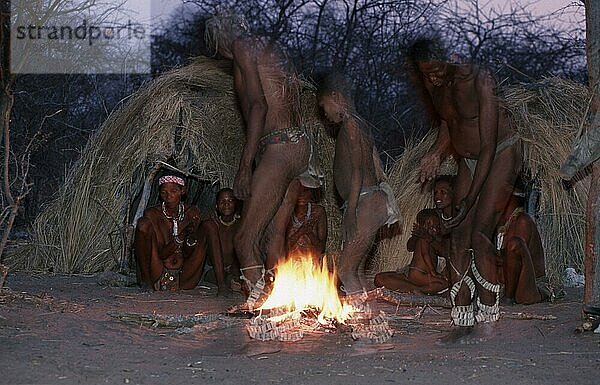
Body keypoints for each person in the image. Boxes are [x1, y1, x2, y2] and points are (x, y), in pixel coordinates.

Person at [205, 13, 322, 307]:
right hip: (300, 147)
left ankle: (260, 309)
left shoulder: (244, 46)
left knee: (244, 240)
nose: (213, 46)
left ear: (221, 34)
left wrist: (245, 167)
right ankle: (283, 308)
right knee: (274, 238)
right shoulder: (271, 48)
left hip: (279, 149)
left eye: (212, 38)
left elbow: (258, 106)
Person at [409, 38, 522, 331]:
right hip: (469, 158)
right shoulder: (436, 84)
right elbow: (450, 122)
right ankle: (461, 311)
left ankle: (489, 312)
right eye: (425, 74)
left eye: (436, 71)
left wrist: (470, 198)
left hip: (500, 153)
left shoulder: (481, 81)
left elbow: (487, 147)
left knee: (480, 232)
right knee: (457, 233)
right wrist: (436, 153)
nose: (432, 78)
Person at [315, 71, 401, 295]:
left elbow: (357, 171)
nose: (325, 116)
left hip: (365, 201)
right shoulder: (360, 124)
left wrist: (352, 210)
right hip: (370, 200)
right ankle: (369, 315)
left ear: (335, 96)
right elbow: (376, 163)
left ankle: (363, 319)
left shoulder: (351, 125)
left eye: (324, 108)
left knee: (345, 271)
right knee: (356, 270)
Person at [374, 175, 454, 294]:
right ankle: (418, 290)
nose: (438, 196)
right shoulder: (431, 216)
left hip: (433, 272)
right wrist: (418, 236)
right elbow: (410, 247)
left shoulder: (450, 221)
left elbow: (447, 253)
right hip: (416, 273)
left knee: (446, 283)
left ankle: (418, 290)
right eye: (436, 192)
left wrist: (430, 239)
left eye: (443, 192)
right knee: (379, 279)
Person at [134, 175, 205, 291]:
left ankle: (222, 283)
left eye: (173, 191)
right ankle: (146, 281)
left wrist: (191, 234)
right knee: (143, 224)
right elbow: (162, 254)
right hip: (158, 270)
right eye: (164, 192)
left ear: (182, 191)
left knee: (208, 226)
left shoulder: (192, 212)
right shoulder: (153, 214)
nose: (168, 196)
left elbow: (188, 253)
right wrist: (182, 236)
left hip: (184, 274)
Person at [496, 185, 551, 304]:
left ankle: (508, 298)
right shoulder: (499, 223)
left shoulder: (522, 221)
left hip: (530, 287)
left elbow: (512, 257)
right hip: (503, 286)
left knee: (514, 244)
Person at [201, 188, 242, 295]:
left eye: (230, 201)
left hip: (234, 268)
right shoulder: (212, 225)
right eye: (222, 202)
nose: (226, 204)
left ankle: (234, 280)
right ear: (216, 206)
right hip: (212, 270)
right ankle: (223, 284)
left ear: (236, 204)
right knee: (228, 280)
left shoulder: (240, 224)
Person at [285, 182, 328, 265]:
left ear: (311, 192)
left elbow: (321, 248)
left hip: (311, 264)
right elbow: (281, 248)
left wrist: (309, 232)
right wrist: (301, 231)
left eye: (305, 190)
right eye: (298, 191)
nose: (301, 194)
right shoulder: (286, 213)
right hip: (288, 265)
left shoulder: (318, 212)